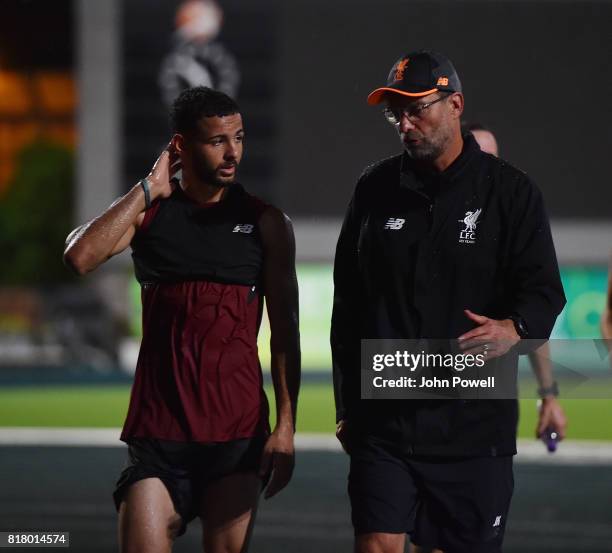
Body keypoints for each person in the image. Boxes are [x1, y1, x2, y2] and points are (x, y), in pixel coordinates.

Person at [331, 50, 566, 553]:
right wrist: (347, 403)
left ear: (455, 104)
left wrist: (515, 328)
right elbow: (347, 305)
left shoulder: (512, 193)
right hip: (385, 425)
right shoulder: (373, 188)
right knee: (376, 543)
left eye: (418, 108)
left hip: (473, 430)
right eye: (396, 112)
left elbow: (545, 292)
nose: (405, 123)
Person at [63, 86, 300, 553]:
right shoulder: (150, 216)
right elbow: (81, 256)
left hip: (236, 436)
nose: (233, 152)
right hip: (159, 434)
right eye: (217, 141)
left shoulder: (266, 223)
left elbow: (285, 333)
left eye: (239, 137)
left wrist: (286, 427)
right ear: (180, 146)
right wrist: (148, 188)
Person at [464, 121, 568, 446]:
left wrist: (548, 395)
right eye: (481, 156)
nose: (490, 168)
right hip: (414, 397)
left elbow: (530, 320)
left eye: (496, 158)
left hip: (487, 408)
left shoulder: (510, 225)